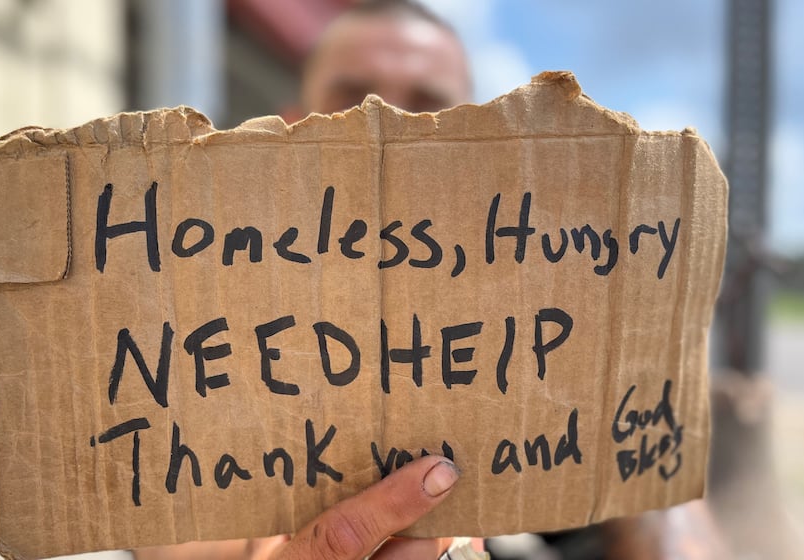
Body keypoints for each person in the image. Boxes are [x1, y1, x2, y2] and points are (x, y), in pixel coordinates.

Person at [135, 1, 729, 558]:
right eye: (350, 99)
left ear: (480, 142)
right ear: (288, 127)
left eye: (427, 105)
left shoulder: (545, 321)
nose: (386, 126)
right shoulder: (209, 316)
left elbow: (660, 497)